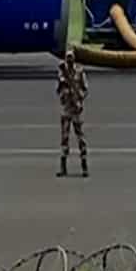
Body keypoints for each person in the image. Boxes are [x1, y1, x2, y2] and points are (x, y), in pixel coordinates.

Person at [56, 49, 89, 177]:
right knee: (64, 137)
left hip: (76, 109)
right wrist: (64, 93)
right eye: (67, 58)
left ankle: (84, 165)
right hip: (66, 108)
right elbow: (58, 89)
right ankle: (63, 167)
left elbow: (85, 89)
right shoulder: (62, 72)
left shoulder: (80, 72)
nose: (69, 61)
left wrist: (79, 98)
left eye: (71, 58)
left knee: (80, 137)